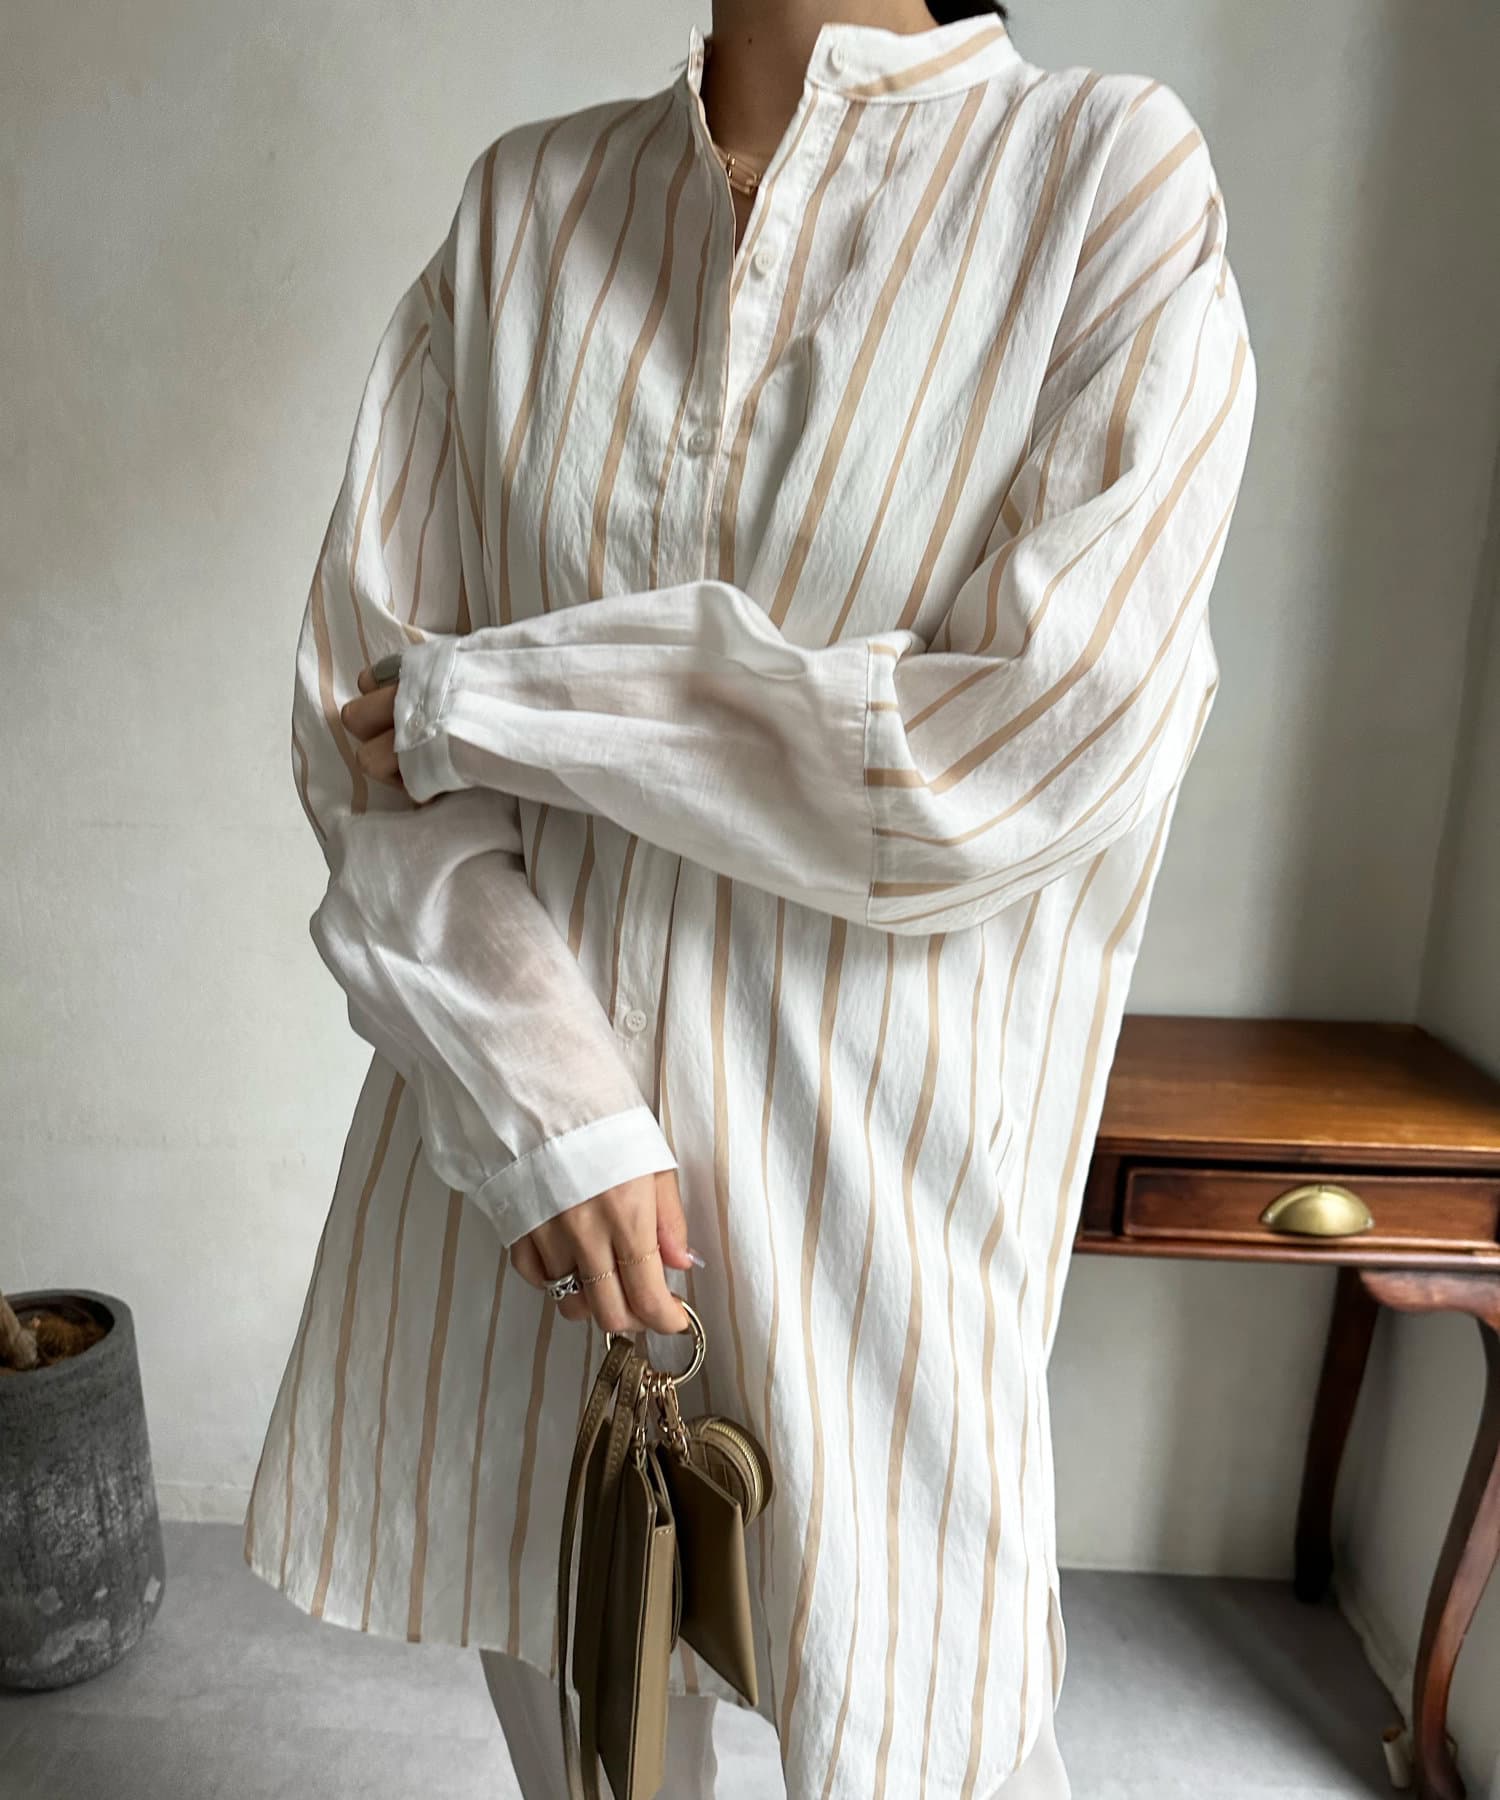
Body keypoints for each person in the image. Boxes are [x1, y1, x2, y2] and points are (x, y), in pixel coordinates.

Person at [243, 1, 1255, 1794]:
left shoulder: (1102, 178)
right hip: (532, 1218)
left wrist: (504, 695)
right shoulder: (526, 208)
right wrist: (551, 1112)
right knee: (594, 1738)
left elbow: (1012, 746)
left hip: (877, 1215)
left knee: (926, 1730)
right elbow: (362, 731)